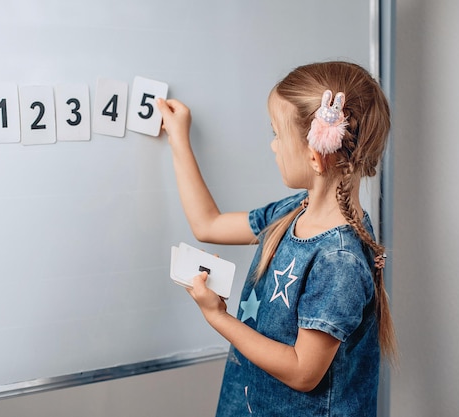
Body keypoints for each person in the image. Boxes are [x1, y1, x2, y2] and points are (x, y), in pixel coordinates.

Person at [156, 61, 398, 416]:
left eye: (276, 134)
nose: (273, 146)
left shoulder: (338, 260)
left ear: (315, 156)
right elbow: (208, 224)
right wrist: (179, 138)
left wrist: (218, 317)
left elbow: (303, 372)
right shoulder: (293, 211)